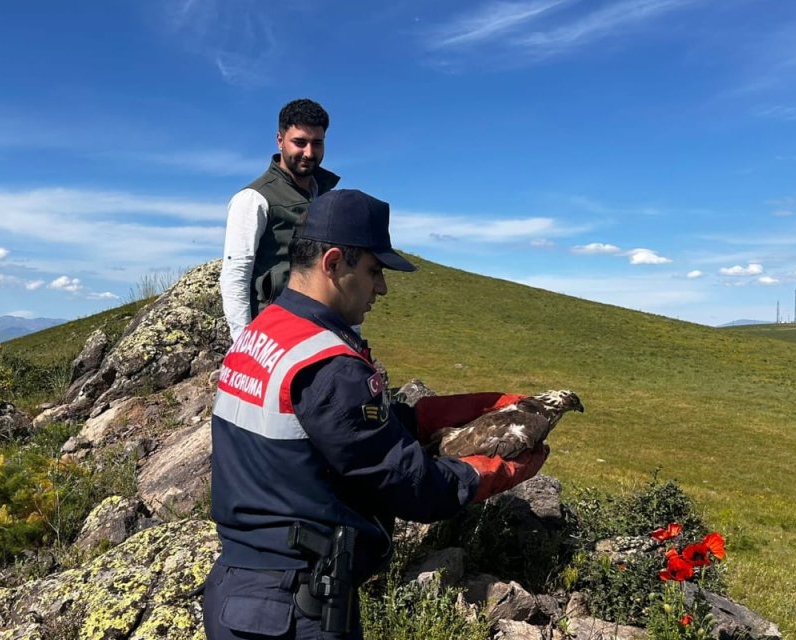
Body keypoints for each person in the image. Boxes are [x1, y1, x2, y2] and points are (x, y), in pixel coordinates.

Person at [204, 189, 550, 639]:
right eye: (373, 271)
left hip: (241, 588)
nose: (381, 288)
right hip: (295, 606)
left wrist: (475, 406)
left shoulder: (264, 332)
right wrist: (495, 472)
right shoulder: (326, 364)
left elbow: (344, 433)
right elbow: (410, 484)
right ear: (332, 263)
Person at [220, 98, 341, 342]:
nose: (308, 152)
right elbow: (235, 275)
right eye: (300, 142)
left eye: (317, 143)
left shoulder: (326, 197)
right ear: (280, 140)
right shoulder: (253, 199)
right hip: (273, 333)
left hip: (320, 330)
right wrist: (244, 345)